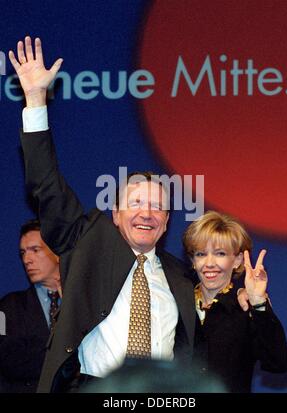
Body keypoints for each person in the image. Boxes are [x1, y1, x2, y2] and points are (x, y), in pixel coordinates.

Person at [9, 36, 196, 393]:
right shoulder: (86, 242)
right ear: (114, 213)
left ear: (167, 221)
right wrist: (35, 100)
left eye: (158, 206)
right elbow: (46, 185)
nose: (147, 213)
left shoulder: (181, 277)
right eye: (137, 203)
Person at [183, 210, 287, 393]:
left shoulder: (245, 308)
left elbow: (279, 363)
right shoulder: (177, 300)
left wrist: (258, 303)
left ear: (237, 260)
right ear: (193, 260)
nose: (209, 263)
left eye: (220, 253)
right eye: (201, 254)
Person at [0, 219, 61, 393]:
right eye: (23, 253)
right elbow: (7, 359)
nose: (27, 259)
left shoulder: (82, 302)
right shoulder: (6, 307)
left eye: (35, 250)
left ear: (57, 252)